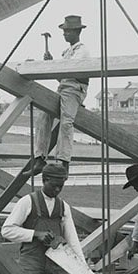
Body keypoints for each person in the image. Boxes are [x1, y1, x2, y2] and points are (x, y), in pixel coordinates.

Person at [1, 163, 87, 274]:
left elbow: (72, 239)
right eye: (54, 185)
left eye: (61, 185)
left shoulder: (63, 207)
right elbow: (7, 230)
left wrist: (81, 267)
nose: (57, 189)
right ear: (44, 180)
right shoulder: (28, 201)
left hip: (56, 258)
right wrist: (35, 234)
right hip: (32, 258)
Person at [24, 15, 90, 176]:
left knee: (66, 121)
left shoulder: (82, 51)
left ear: (76, 32)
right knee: (43, 115)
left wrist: (53, 64)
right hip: (63, 87)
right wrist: (51, 64)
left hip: (75, 89)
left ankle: (63, 160)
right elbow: (62, 77)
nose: (64, 34)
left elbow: (70, 70)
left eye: (67, 31)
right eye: (64, 31)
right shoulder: (67, 52)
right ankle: (40, 158)